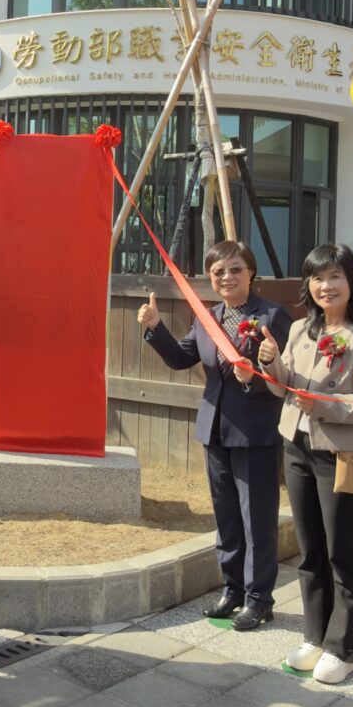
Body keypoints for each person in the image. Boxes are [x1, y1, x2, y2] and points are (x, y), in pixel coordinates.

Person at [139, 240, 293, 630]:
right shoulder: (208, 317)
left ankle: (259, 599)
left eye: (235, 269)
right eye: (218, 271)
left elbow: (283, 378)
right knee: (226, 517)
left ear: (251, 272)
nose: (227, 277)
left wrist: (253, 377)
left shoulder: (272, 315)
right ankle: (233, 590)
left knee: (257, 520)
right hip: (215, 429)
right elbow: (182, 358)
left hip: (255, 431)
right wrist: (156, 328)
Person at [264, 243, 353, 682]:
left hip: (342, 456)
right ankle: (315, 635)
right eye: (317, 278)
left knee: (342, 550)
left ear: (351, 282)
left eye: (335, 276)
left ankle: (345, 646)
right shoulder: (300, 329)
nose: (325, 286)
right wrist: (271, 364)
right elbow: (283, 387)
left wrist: (324, 406)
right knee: (310, 548)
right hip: (296, 447)